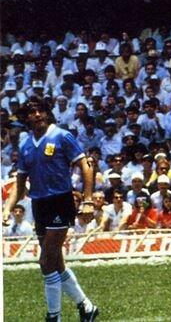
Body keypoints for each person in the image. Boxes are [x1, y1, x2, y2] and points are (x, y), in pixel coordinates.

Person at [2, 100, 99, 321]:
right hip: (39, 205)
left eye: (41, 110)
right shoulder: (25, 145)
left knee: (45, 262)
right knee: (56, 262)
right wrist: (7, 208)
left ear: (47, 113)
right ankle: (87, 307)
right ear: (27, 118)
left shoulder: (62, 136)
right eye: (32, 112)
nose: (37, 114)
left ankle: (53, 316)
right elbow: (19, 184)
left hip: (60, 202)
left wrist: (88, 200)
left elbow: (86, 165)